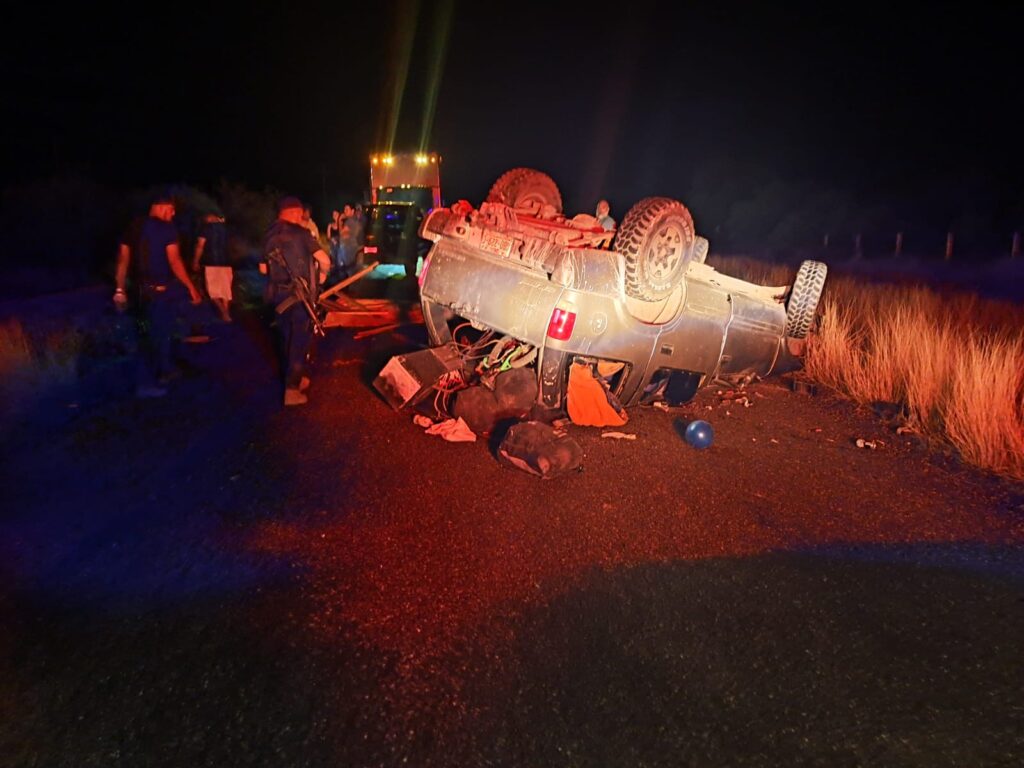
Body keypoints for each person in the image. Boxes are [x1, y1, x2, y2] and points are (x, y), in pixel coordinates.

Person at [114, 195, 202, 397]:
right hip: (161, 290)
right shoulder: (166, 229)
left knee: (145, 332)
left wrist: (120, 290)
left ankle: (164, 370)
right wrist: (190, 287)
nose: (172, 214)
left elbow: (123, 261)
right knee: (160, 333)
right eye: (171, 210)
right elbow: (174, 260)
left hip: (139, 290)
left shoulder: (132, 227)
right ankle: (154, 378)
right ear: (161, 207)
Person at [260, 196, 331, 406]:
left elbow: (263, 269)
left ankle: (297, 378)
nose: (302, 218)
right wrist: (323, 276)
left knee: (286, 339)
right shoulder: (302, 234)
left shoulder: (268, 235)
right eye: (300, 215)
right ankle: (291, 390)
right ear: (293, 212)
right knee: (299, 342)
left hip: (277, 297)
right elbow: (324, 260)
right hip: (299, 298)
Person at [192, 212, 232, 322]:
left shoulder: (205, 229)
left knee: (213, 291)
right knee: (225, 291)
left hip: (211, 263)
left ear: (208, 218)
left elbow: (200, 245)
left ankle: (224, 313)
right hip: (226, 263)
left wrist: (195, 261)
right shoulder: (226, 229)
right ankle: (226, 314)